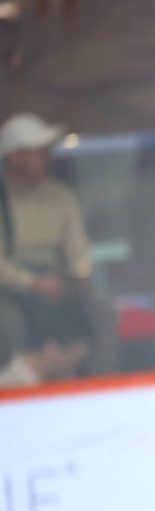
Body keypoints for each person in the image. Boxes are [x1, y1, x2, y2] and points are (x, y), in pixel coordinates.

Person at [0, 112, 96, 374]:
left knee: (100, 315)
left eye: (46, 151)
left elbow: (78, 248)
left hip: (59, 286)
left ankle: (102, 386)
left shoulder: (61, 196)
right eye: (38, 151)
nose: (47, 157)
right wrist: (32, 283)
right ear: (15, 157)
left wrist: (79, 277)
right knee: (8, 322)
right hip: (11, 291)